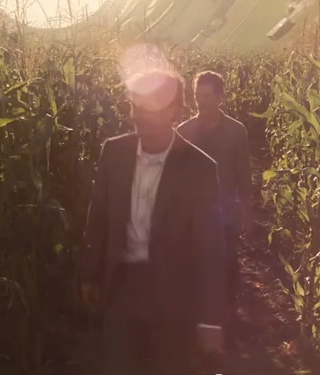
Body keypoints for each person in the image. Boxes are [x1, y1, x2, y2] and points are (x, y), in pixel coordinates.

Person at [80, 69, 227, 375]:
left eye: (149, 107)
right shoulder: (114, 153)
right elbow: (99, 217)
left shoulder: (199, 168)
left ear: (174, 111)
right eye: (135, 106)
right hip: (122, 286)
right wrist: (91, 274)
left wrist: (210, 320)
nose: (138, 115)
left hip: (174, 294)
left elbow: (210, 248)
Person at [177, 71, 254, 342]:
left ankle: (229, 315)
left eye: (207, 96)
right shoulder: (184, 131)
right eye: (198, 96)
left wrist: (248, 209)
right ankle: (200, 317)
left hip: (226, 206)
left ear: (220, 97)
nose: (201, 102)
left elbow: (244, 172)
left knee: (227, 259)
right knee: (196, 261)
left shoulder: (236, 131)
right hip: (195, 208)